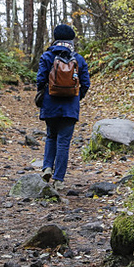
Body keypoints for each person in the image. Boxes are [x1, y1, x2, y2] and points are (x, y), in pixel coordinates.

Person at [35, 23, 90, 193]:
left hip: (51, 105)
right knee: (64, 143)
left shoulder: (47, 56)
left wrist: (44, 95)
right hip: (69, 108)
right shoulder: (78, 59)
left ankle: (47, 168)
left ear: (55, 38)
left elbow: (40, 79)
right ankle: (58, 180)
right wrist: (75, 97)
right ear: (71, 40)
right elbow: (86, 83)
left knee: (51, 136)